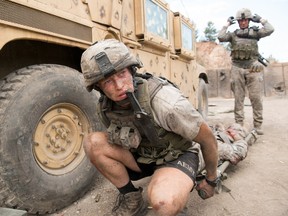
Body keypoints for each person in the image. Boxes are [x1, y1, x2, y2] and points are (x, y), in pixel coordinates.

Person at [80, 39, 218, 216]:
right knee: (93, 142)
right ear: (98, 87)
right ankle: (132, 199)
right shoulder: (106, 107)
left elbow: (207, 139)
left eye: (122, 74)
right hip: (143, 157)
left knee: (164, 203)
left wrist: (211, 179)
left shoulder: (166, 103)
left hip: (175, 156)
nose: (119, 86)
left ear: (131, 70)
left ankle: (169, 186)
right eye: (108, 82)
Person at [218, 8, 274, 135]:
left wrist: (261, 20)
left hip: (253, 67)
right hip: (237, 67)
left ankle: (258, 125)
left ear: (248, 20)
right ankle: (239, 124)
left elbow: (270, 29)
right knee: (238, 98)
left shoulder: (255, 33)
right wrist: (227, 24)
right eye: (240, 20)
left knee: (256, 97)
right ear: (238, 22)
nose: (243, 22)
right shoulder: (233, 35)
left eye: (245, 20)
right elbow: (221, 36)